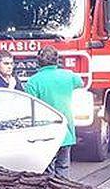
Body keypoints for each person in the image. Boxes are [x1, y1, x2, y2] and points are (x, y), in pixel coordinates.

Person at [24, 46, 84, 178]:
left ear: (38, 62)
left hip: (45, 134)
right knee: (63, 168)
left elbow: (29, 107)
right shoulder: (68, 76)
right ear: (57, 61)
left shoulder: (33, 82)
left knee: (47, 172)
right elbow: (80, 83)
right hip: (66, 131)